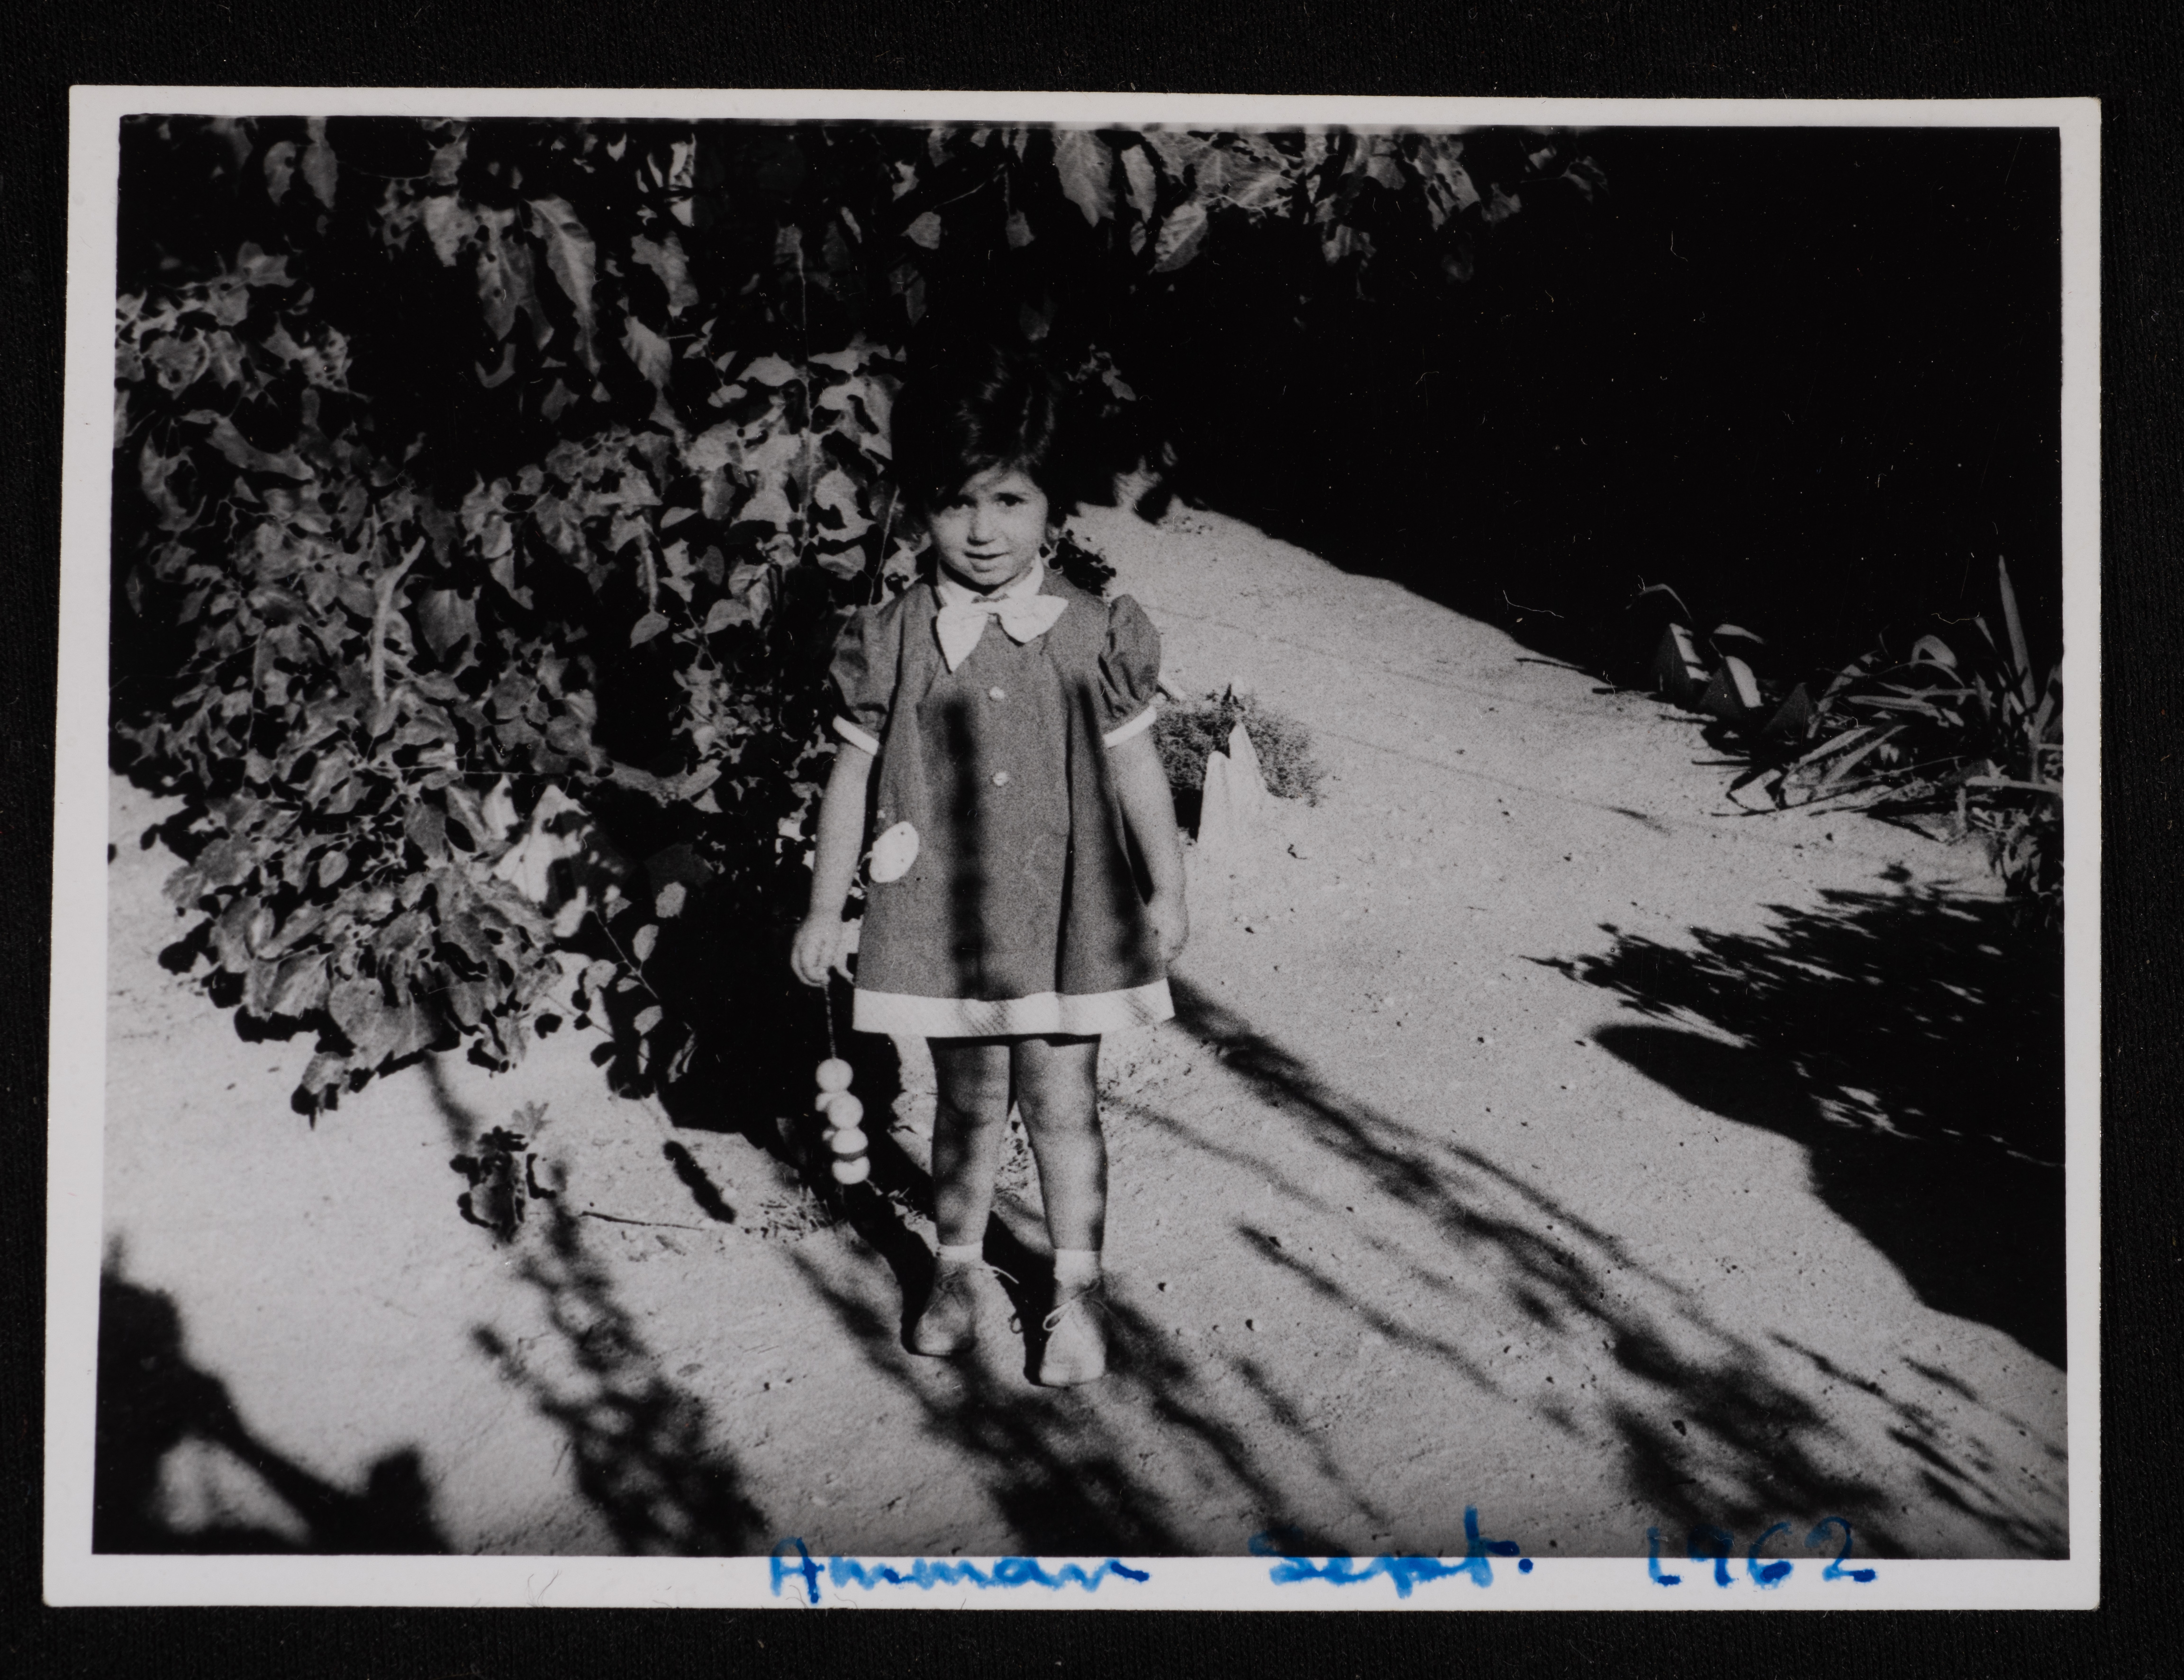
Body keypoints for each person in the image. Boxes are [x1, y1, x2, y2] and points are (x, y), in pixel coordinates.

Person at [789, 337, 1188, 1386]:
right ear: (919, 508)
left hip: (1069, 914)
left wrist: (1169, 887)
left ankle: (1076, 1291)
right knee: (965, 1102)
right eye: (956, 503)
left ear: (1050, 505)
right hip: (949, 919)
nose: (982, 531)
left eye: (1010, 501)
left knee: (1062, 1102)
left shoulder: (1092, 632)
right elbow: (849, 778)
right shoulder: (893, 637)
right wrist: (824, 908)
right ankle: (956, 1269)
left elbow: (1136, 766)